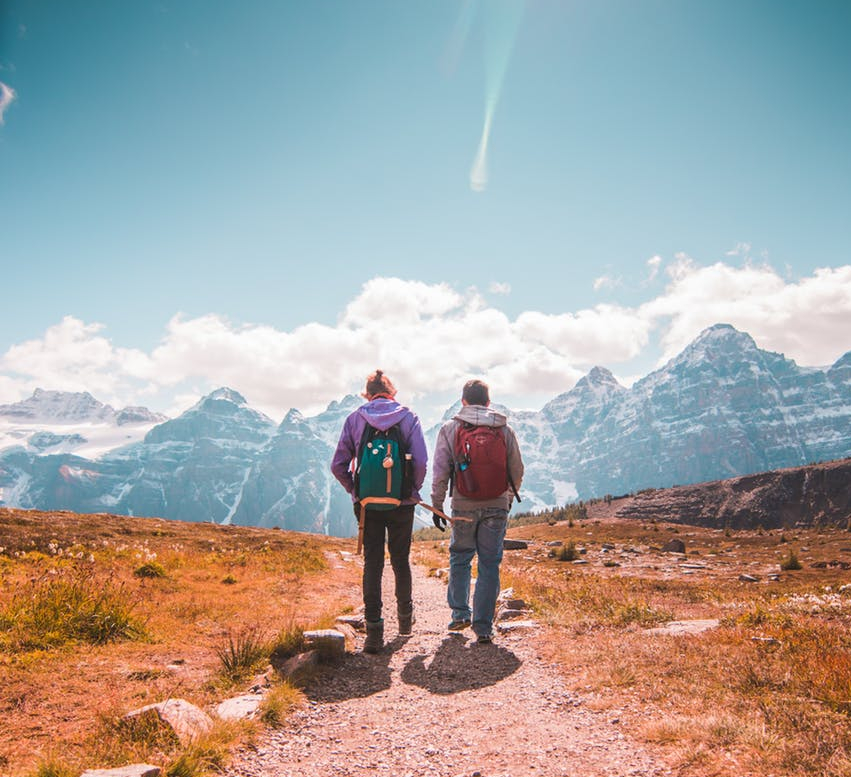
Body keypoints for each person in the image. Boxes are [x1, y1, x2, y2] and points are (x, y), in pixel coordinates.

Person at [331, 370, 427, 653]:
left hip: (367, 505)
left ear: (368, 394)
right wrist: (410, 490)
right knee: (400, 560)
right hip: (402, 503)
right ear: (392, 393)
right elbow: (420, 461)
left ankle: (373, 632)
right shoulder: (409, 418)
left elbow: (338, 465)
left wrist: (355, 491)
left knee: (373, 562)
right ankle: (405, 621)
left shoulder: (355, 419)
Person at [431, 379, 524, 644]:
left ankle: (460, 613)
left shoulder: (451, 428)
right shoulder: (504, 429)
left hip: (462, 505)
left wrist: (437, 504)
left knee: (460, 557)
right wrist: (505, 499)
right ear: (487, 402)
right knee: (489, 563)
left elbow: (441, 470)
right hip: (496, 505)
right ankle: (483, 627)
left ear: (463, 401)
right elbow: (517, 470)